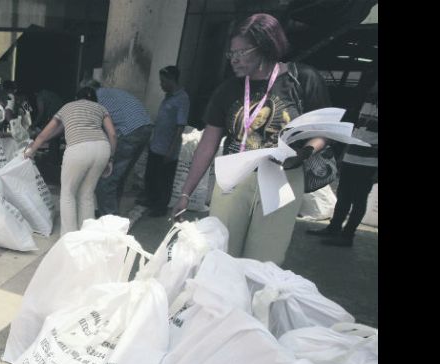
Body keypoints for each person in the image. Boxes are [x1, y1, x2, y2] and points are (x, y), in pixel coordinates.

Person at [172, 13, 331, 265]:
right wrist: (185, 193)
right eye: (231, 53)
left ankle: (253, 304)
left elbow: (323, 132)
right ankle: (221, 304)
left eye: (241, 53)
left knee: (264, 261)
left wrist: (306, 152)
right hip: (234, 176)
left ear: (266, 46)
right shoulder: (227, 90)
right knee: (220, 254)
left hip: (282, 180)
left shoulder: (303, 80)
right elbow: (207, 144)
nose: (233, 59)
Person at [23, 86, 117, 235]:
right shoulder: (100, 108)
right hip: (102, 147)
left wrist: (30, 151)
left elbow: (43, 135)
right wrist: (110, 158)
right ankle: (87, 235)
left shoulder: (67, 107)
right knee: (87, 194)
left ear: (76, 98)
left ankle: (69, 237)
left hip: (78, 148)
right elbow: (112, 134)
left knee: (68, 193)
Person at [308, 81, 378, 247]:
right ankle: (334, 228)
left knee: (359, 199)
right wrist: (344, 154)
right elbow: (357, 131)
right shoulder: (368, 102)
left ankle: (347, 236)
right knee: (344, 196)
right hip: (352, 157)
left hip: (369, 162)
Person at [82, 79, 153, 216]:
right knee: (119, 177)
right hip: (145, 128)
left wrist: (109, 157)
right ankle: (111, 213)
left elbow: (108, 134)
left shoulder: (95, 100)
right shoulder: (112, 93)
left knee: (105, 179)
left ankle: (108, 219)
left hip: (129, 133)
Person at [144, 66, 190, 217]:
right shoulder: (168, 96)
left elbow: (179, 127)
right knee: (150, 176)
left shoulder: (182, 99)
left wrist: (171, 150)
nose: (161, 84)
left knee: (163, 181)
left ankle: (159, 208)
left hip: (167, 149)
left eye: (163, 81)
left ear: (172, 80)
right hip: (156, 145)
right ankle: (150, 201)